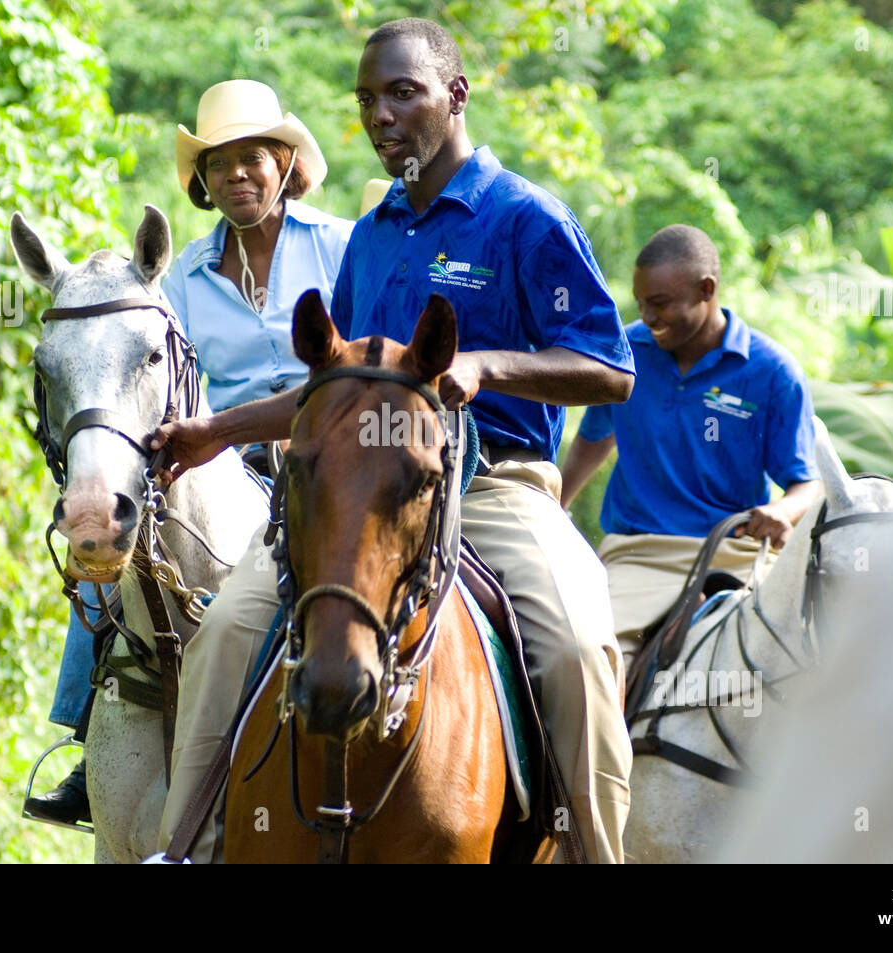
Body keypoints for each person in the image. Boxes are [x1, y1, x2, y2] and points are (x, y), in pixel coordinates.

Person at [152, 17, 636, 863]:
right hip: (360, 491)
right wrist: (216, 430)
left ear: (455, 95)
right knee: (227, 627)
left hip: (492, 490)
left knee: (573, 642)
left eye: (403, 93)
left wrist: (486, 367)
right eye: (368, 100)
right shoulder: (373, 235)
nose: (382, 115)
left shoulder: (525, 219)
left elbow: (610, 370)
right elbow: (333, 390)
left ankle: (597, 851)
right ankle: (184, 844)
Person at [24, 80, 353, 825]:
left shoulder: (342, 248)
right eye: (218, 163)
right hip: (215, 460)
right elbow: (162, 382)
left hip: (327, 458)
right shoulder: (182, 281)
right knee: (110, 560)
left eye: (251, 158)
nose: (236, 174)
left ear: (285, 162)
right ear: (202, 182)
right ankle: (90, 737)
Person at [560, 224, 821, 664]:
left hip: (735, 554)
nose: (648, 317)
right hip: (639, 555)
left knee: (791, 664)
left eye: (660, 304)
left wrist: (782, 511)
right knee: (587, 659)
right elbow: (593, 438)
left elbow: (805, 483)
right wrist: (554, 503)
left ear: (707, 289)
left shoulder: (772, 371)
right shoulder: (626, 352)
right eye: (642, 304)